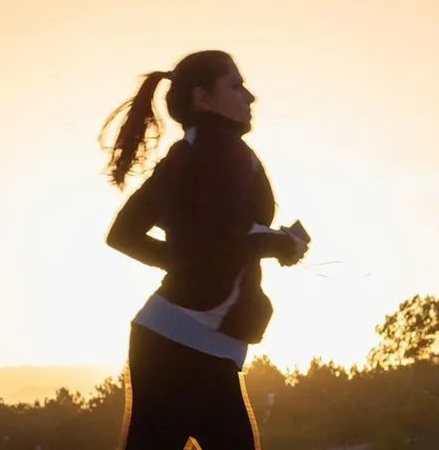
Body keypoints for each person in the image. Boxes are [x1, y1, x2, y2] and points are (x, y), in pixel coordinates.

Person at [101, 50, 310, 449]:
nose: (249, 97)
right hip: (188, 345)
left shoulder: (186, 154)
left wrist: (188, 265)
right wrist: (282, 243)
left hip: (175, 339)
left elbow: (124, 234)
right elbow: (222, 235)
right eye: (235, 85)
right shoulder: (226, 152)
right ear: (204, 99)